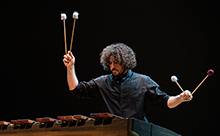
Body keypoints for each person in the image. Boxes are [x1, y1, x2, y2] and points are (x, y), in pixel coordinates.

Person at [63, 43, 193, 122]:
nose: (112, 66)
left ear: (125, 61)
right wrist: (70, 68)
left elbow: (165, 102)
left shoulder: (143, 81)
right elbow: (77, 90)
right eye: (110, 63)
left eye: (116, 62)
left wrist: (180, 98)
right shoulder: (102, 82)